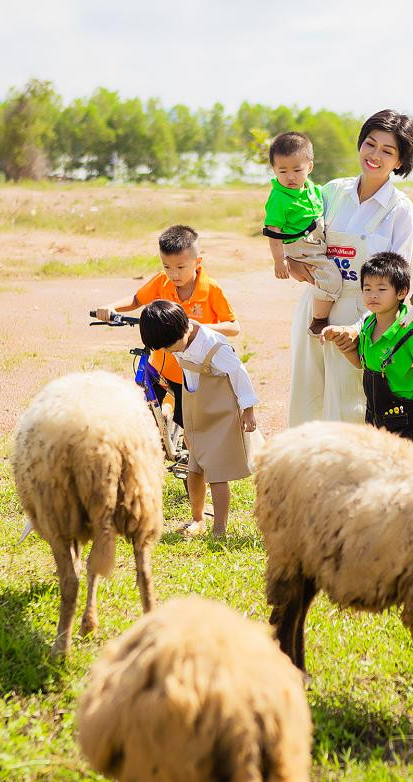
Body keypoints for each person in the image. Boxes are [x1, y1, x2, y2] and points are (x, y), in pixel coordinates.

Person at [282, 109, 413, 427]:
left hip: (361, 315)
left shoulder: (400, 210)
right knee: (307, 399)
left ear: (400, 161)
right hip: (315, 307)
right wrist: (291, 259)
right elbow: (298, 234)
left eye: (388, 151)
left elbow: (399, 279)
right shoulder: (331, 192)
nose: (375, 155)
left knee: (350, 407)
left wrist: (361, 329)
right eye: (370, 144)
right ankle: (304, 474)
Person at [94, 224, 239, 430]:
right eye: (167, 267)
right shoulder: (162, 282)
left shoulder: (211, 290)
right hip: (161, 367)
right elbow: (137, 300)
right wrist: (111, 307)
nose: (174, 274)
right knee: (143, 406)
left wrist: (199, 327)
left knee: (193, 427)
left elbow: (234, 327)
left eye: (180, 267)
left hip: (192, 372)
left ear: (197, 262)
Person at [138, 300, 259, 538]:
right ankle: (197, 518)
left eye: (170, 346)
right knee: (194, 470)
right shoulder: (177, 340)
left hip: (220, 413)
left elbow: (238, 373)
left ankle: (220, 528)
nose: (170, 351)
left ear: (183, 329)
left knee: (216, 474)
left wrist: (248, 410)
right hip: (197, 411)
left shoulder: (212, 345)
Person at [324, 252, 413, 443]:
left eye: (381, 289)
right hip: (374, 412)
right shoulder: (368, 325)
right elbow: (362, 365)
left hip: (404, 418)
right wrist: (344, 346)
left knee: (399, 466)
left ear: (401, 292)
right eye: (367, 289)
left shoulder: (409, 333)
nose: (373, 295)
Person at [262, 131, 342, 337]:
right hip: (300, 245)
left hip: (316, 240)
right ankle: (319, 320)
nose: (290, 177)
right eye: (282, 171)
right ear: (274, 170)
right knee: (331, 275)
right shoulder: (279, 198)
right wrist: (280, 261)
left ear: (310, 167)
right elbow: (274, 232)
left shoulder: (313, 189)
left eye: (297, 170)